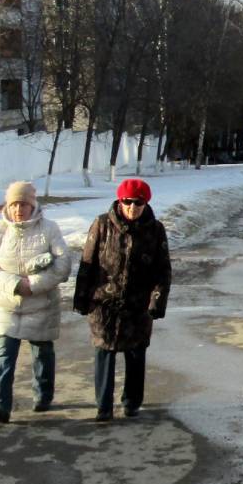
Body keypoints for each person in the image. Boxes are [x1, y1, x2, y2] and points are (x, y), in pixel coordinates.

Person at [73, 178, 172, 421]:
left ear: (145, 203)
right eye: (128, 202)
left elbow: (162, 270)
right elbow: (87, 263)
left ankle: (132, 401)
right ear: (120, 201)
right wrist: (81, 297)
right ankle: (103, 406)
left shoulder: (155, 229)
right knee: (104, 352)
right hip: (104, 302)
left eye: (138, 203)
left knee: (136, 353)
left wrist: (156, 301)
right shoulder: (102, 224)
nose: (132, 207)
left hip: (138, 304)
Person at [0, 181, 71, 424]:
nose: (18, 209)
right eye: (14, 204)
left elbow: (63, 265)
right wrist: (14, 284)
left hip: (41, 303)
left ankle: (43, 395)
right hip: (6, 303)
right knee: (3, 354)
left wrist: (34, 284)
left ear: (32, 205)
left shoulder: (49, 229)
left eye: (23, 204)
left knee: (42, 353)